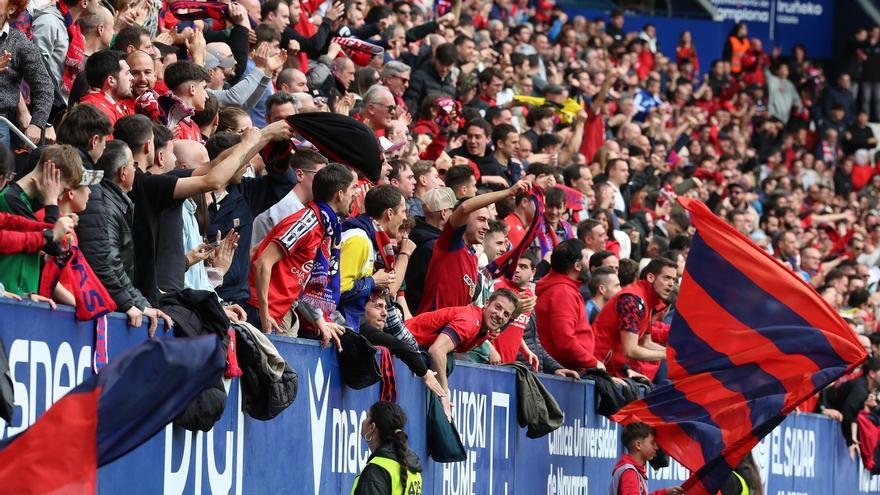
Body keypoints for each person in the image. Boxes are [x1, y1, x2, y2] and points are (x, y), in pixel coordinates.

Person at [247, 163, 356, 345]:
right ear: (340, 193)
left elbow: (303, 279)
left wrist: (319, 319)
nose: (356, 194)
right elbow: (261, 263)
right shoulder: (306, 223)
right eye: (353, 188)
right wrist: (265, 314)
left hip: (275, 313)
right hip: (258, 312)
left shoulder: (324, 227)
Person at [417, 179, 530, 313]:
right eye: (481, 220)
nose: (487, 227)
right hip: (431, 330)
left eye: (488, 221)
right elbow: (464, 208)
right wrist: (509, 192)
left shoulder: (473, 258)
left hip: (453, 331)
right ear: (465, 219)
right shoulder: (449, 244)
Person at [408, 288, 519, 415]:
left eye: (506, 314)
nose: (500, 315)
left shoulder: (482, 329)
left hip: (415, 349)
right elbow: (437, 351)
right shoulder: (470, 321)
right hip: (404, 345)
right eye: (497, 307)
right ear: (487, 303)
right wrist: (444, 394)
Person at [593, 258, 676, 379]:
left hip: (611, 368)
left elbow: (645, 343)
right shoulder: (632, 300)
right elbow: (630, 350)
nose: (671, 284)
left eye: (673, 279)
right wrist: (666, 354)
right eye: (667, 278)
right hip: (597, 366)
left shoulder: (648, 302)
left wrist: (674, 353)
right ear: (651, 277)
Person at [339, 185, 408, 330]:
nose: (405, 217)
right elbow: (339, 289)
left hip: (350, 321)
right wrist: (373, 281)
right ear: (390, 213)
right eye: (403, 211)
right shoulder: (359, 239)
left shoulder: (370, 238)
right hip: (340, 322)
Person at [535, 238, 604, 373]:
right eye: (586, 258)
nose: (588, 263)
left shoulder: (563, 289)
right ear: (577, 266)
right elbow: (565, 342)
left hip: (568, 370)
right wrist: (593, 363)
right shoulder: (563, 292)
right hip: (566, 375)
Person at [352, 401, 423, 495]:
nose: (363, 421)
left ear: (372, 427)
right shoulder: (412, 467)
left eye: (367, 417)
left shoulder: (376, 471)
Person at [610, 422, 683, 495]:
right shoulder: (629, 472)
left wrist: (665, 493)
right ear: (638, 445)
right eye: (652, 443)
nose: (656, 447)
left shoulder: (632, 470)